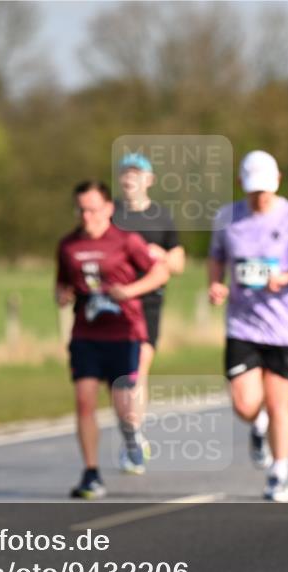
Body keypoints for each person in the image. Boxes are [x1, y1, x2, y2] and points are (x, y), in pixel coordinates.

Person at [208, 150, 288, 502]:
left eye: (264, 189)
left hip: (283, 327)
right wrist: (216, 284)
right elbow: (216, 256)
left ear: (278, 181)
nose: (259, 197)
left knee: (280, 402)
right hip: (242, 325)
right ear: (241, 185)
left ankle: (279, 473)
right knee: (244, 403)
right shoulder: (227, 218)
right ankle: (257, 423)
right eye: (253, 190)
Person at [56, 181, 170, 499]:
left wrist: (130, 291)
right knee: (84, 401)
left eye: (92, 209)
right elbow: (62, 285)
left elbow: (160, 273)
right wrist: (62, 295)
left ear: (107, 209)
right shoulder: (68, 245)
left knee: (126, 406)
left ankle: (131, 433)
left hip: (124, 333)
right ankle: (91, 473)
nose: (86, 215)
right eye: (81, 209)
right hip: (86, 335)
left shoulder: (126, 241)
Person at [112, 153, 185, 470]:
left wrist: (159, 256)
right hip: (114, 304)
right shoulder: (110, 215)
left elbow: (179, 263)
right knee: (116, 377)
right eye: (126, 172)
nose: (130, 178)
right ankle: (130, 432)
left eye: (137, 173)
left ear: (149, 180)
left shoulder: (162, 218)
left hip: (148, 304)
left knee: (136, 371)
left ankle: (134, 436)